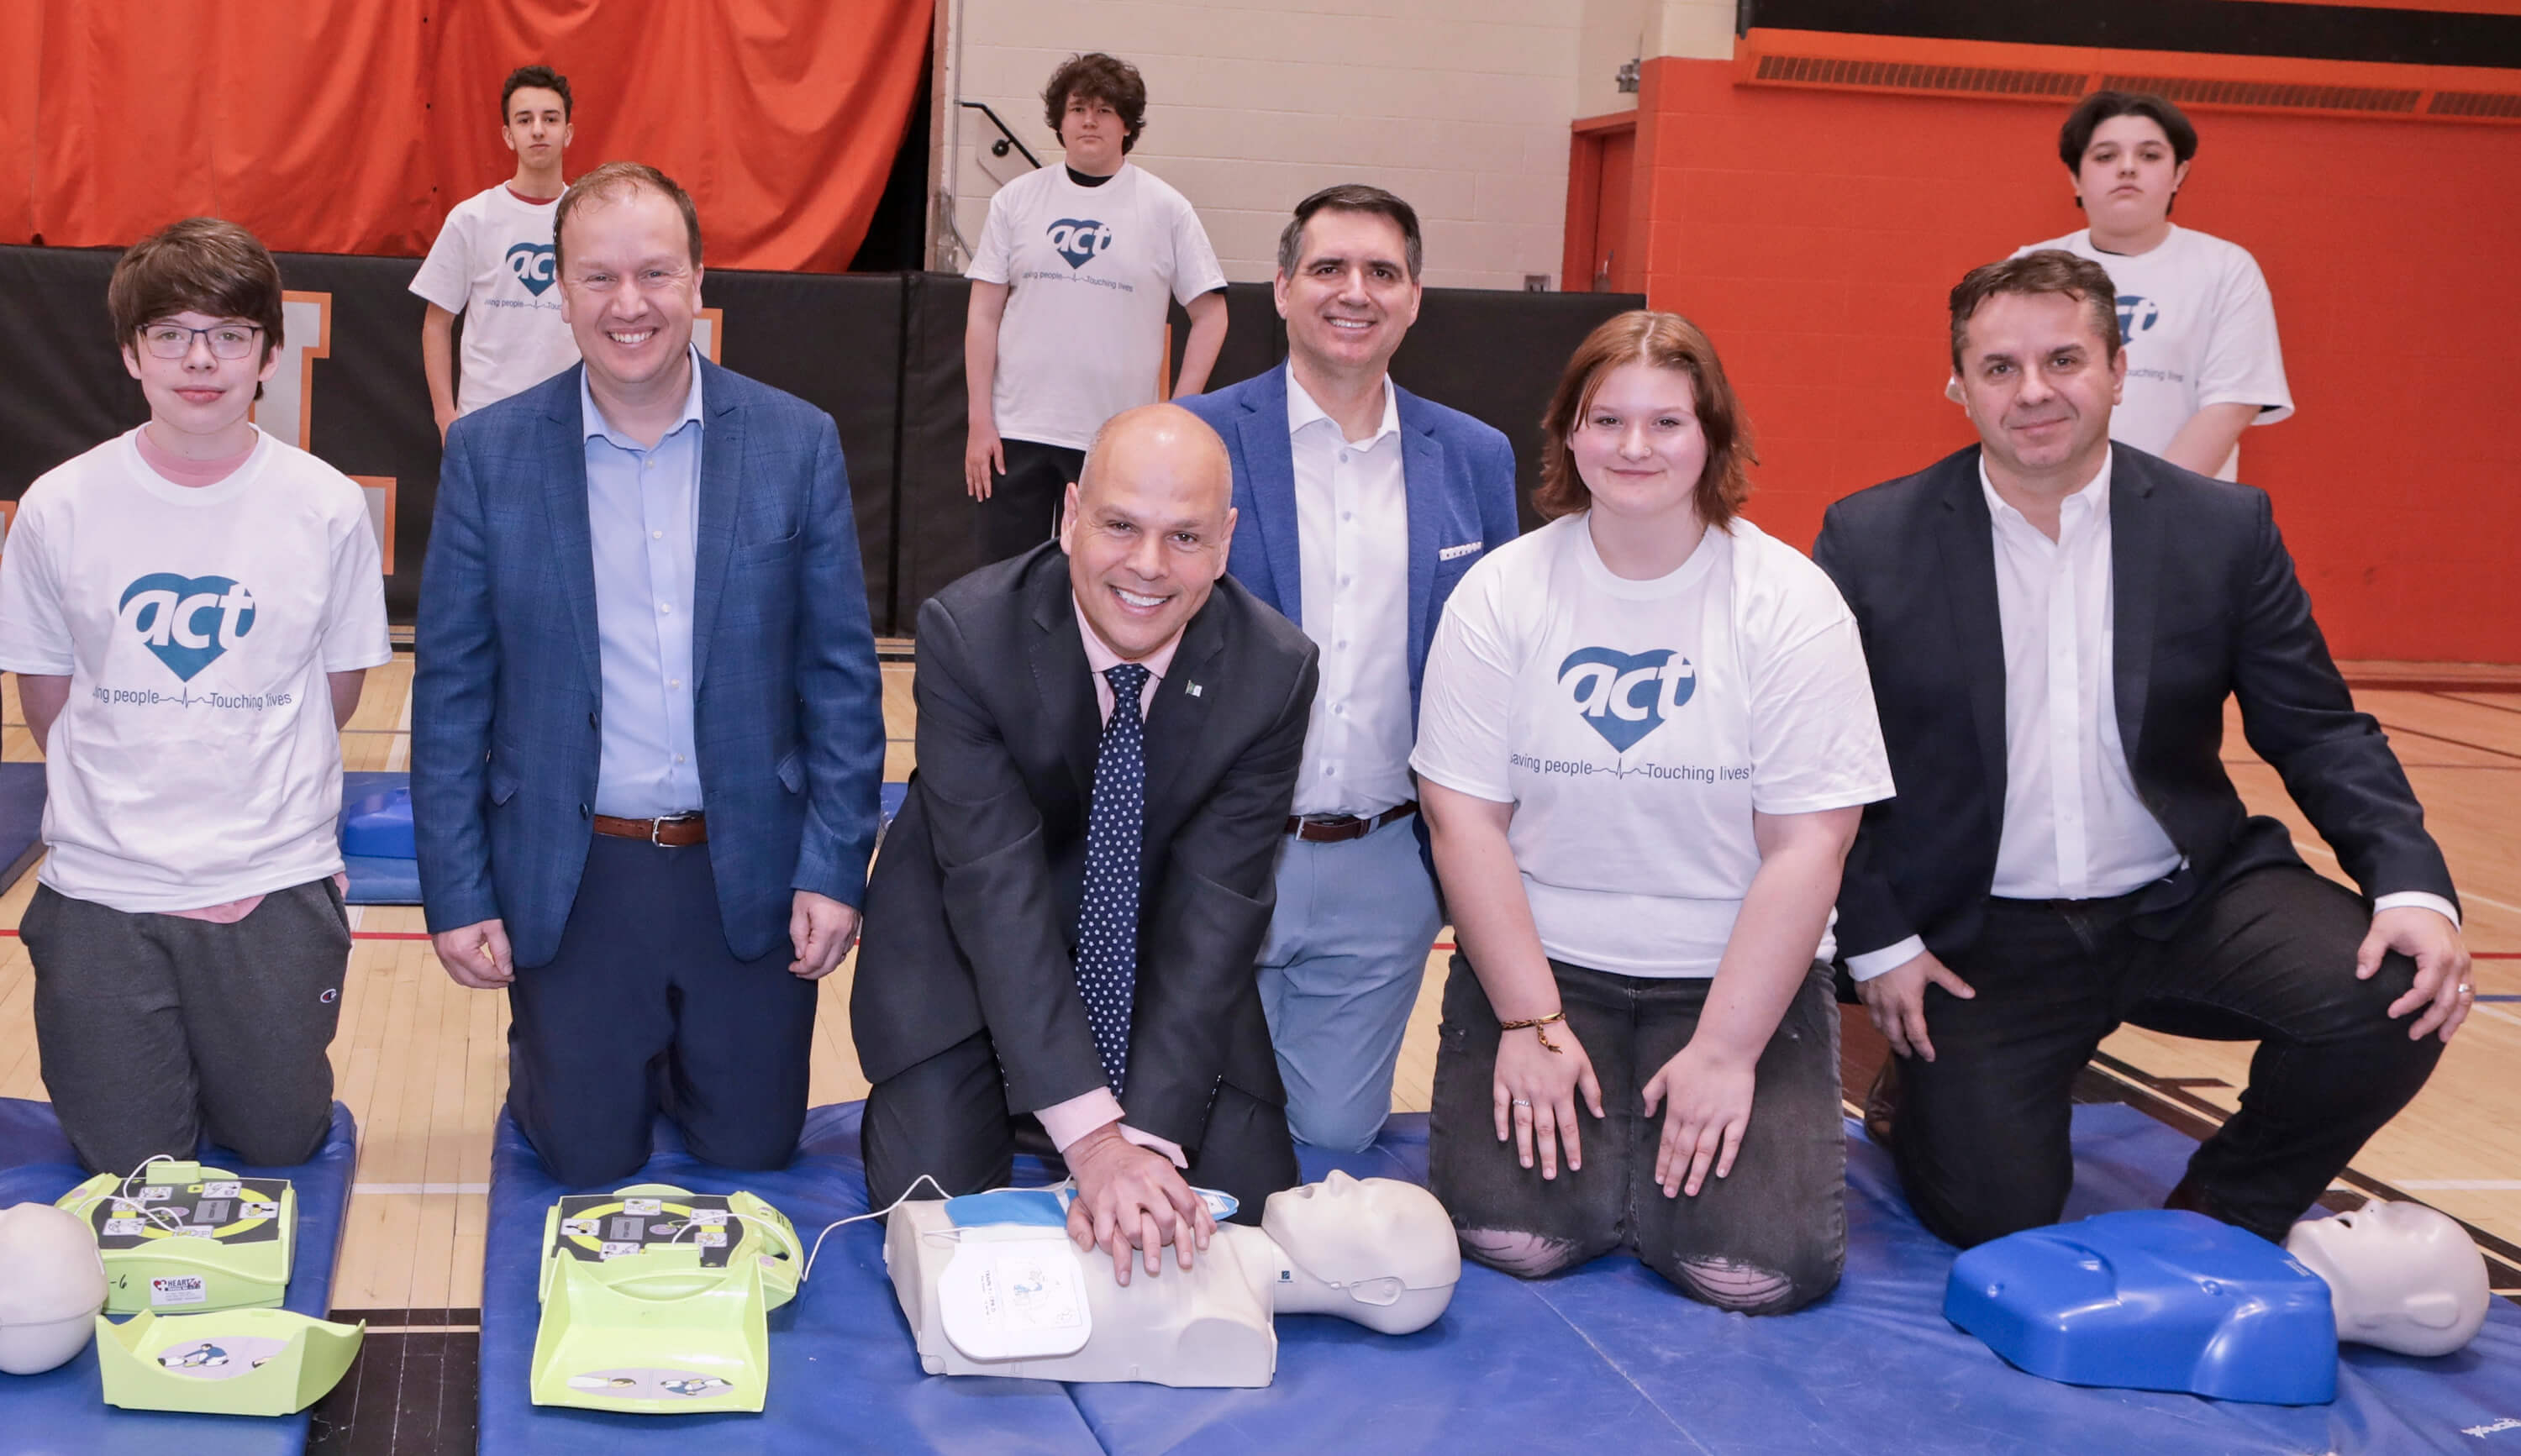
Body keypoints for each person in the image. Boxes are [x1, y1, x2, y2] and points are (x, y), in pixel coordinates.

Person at [1815, 251, 2468, 1251]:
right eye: (2000, 367)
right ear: (1960, 387)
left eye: (2065, 359)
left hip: (2184, 898)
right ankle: (1925, 1093)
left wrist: (2413, 888)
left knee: (2396, 994)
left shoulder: (2223, 526)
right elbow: (1818, 764)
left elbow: (2318, 727)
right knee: (1991, 1216)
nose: (2034, 391)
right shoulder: (1871, 537)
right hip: (1984, 935)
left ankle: (2224, 1212)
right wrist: (1881, 940)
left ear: (2119, 369)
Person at [413, 162, 884, 1188]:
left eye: (656, 274)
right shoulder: (490, 455)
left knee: (751, 1147)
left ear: (700, 278)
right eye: (599, 278)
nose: (630, 305)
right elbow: (451, 690)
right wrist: (457, 890)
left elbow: (842, 678)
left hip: (747, 867)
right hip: (577, 871)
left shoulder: (796, 443)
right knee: (582, 1153)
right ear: (562, 289)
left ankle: (679, 1055)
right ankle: (573, 1051)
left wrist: (833, 866)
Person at [1411, 312, 1892, 1312]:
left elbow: (1812, 843)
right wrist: (1531, 1020)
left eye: (1666, 421)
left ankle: (1649, 1162)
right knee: (1519, 1240)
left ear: (1712, 435)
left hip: (1729, 978)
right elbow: (1462, 819)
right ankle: (1616, 1169)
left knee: (1756, 1274)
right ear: (1569, 435)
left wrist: (1724, 1052)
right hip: (1549, 970)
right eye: (1608, 419)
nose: (1635, 447)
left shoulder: (1792, 604)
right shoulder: (1502, 593)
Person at [852, 403, 1318, 1277]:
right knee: (934, 1218)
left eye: (1184, 536)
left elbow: (1217, 912)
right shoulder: (969, 634)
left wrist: (1146, 1139)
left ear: (1225, 543)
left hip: (1147, 957)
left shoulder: (1274, 672)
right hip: (968, 949)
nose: (1147, 565)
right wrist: (1095, 1145)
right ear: (1069, 516)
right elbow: (997, 901)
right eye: (1120, 526)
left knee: (1243, 1217)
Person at [0, 218, 389, 1175]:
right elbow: (46, 695)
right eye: (171, 333)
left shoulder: (325, 504)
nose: (200, 359)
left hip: (271, 877)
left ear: (266, 351)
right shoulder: (61, 503)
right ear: (132, 353)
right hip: (103, 887)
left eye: (229, 334)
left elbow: (334, 691)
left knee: (278, 1137)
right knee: (131, 1163)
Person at [1180, 185, 1518, 1153]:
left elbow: (1498, 666)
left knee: (1328, 1143)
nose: (1354, 291)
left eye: (1383, 271)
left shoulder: (1474, 458)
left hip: (1386, 861)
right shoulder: (1194, 439)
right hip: (1216, 851)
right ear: (1282, 289)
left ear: (1415, 297)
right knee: (1186, 1133)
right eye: (1329, 268)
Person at [963, 52, 1229, 565]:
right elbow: (983, 315)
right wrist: (979, 421)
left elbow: (1212, 316)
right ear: (1059, 122)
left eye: (1105, 110)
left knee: (1097, 575)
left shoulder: (1166, 210)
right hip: (1015, 430)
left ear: (1127, 126)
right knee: (1004, 580)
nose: (1089, 120)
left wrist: (1177, 414)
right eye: (1078, 108)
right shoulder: (1015, 201)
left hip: (1114, 440)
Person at [2015, 91, 2291, 480]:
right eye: (2106, 156)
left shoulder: (2227, 268)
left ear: (2178, 174)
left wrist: (2147, 505)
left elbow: (2231, 406)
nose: (2127, 168)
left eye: (2149, 155)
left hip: (2181, 514)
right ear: (2075, 177)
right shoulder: (2028, 268)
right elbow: (1996, 395)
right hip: (2047, 507)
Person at [412, 64, 583, 441]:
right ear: (508, 135)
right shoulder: (472, 218)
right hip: (484, 423)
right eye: (525, 120)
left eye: (550, 118)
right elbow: (436, 325)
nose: (538, 129)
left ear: (568, 132)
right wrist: (446, 417)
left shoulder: (589, 219)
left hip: (571, 424)